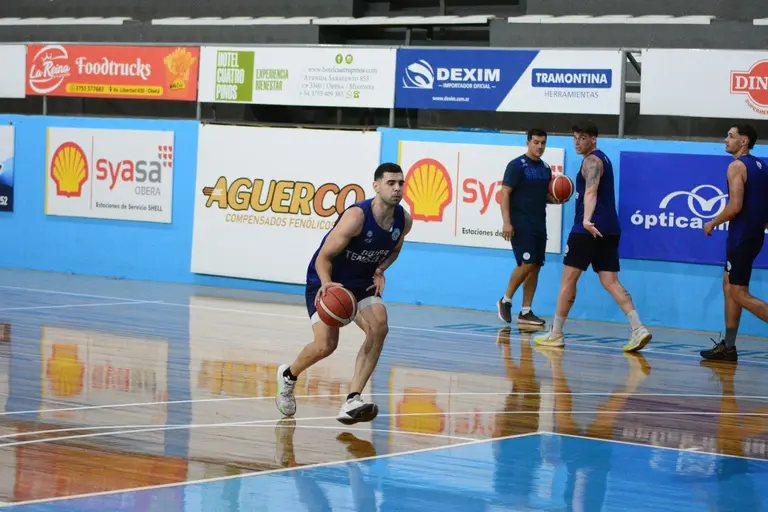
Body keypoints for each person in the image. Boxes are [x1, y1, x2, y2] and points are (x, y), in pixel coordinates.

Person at [276, 162, 413, 424]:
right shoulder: (357, 217)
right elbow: (323, 258)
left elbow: (395, 248)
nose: (397, 188)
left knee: (380, 327)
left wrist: (381, 269)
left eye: (401, 183)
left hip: (362, 281)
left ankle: (352, 399)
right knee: (326, 345)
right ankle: (289, 376)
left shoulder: (403, 220)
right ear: (376, 186)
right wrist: (327, 283)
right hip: (329, 280)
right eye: (390, 183)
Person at [534, 121, 652, 351]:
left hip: (587, 230)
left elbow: (591, 191)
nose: (577, 141)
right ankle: (638, 328)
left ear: (594, 139)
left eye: (582, 137)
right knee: (610, 281)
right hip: (609, 229)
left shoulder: (591, 161)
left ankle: (556, 333)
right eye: (575, 137)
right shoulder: (603, 158)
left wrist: (587, 220)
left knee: (568, 280)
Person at [700, 124, 768, 362]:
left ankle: (729, 346)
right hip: (753, 234)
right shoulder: (761, 165)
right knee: (729, 286)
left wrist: (712, 222)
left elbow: (735, 206)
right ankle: (728, 347)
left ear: (744, 141)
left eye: (731, 136)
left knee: (738, 293)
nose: (726, 139)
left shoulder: (736, 166)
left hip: (741, 236)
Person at [497, 128, 554, 326]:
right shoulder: (516, 165)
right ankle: (505, 300)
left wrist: (557, 197)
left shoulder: (546, 168)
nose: (540, 146)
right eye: (536, 142)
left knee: (536, 267)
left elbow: (543, 195)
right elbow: (504, 193)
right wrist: (506, 221)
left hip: (540, 222)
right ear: (528, 142)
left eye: (543, 143)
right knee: (526, 263)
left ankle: (526, 311)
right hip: (521, 223)